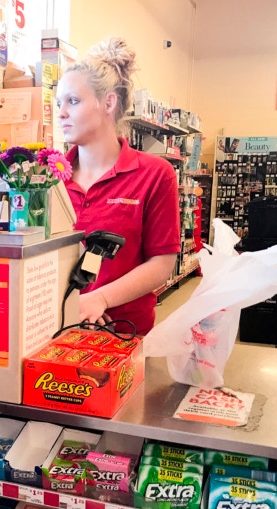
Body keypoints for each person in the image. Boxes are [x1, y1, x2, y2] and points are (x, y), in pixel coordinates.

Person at [57, 37, 181, 335]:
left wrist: (100, 298)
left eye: (73, 101)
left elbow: (162, 263)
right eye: (58, 102)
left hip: (122, 333)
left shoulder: (155, 174)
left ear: (108, 102)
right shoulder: (49, 177)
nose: (61, 112)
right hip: (54, 330)